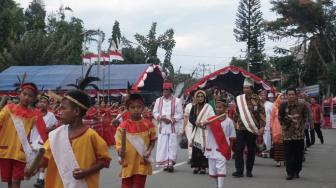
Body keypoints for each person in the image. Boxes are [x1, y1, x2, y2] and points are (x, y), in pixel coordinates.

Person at [25, 90, 112, 188]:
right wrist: (33, 168)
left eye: (63, 108)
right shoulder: (55, 135)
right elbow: (46, 158)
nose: (59, 112)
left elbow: (104, 160)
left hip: (82, 184)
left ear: (76, 111)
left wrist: (86, 171)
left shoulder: (91, 136)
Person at [0, 83, 45, 188]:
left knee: (16, 181)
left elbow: (37, 134)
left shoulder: (33, 116)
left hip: (21, 153)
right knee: (9, 181)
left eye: (30, 96)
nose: (26, 97)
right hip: (6, 150)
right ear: (19, 94)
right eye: (24, 94)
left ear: (33, 98)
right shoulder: (8, 109)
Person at [116, 93, 157, 188]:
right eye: (132, 107)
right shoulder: (123, 126)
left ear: (143, 108)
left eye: (139, 107)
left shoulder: (149, 125)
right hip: (127, 163)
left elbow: (152, 141)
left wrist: (148, 151)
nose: (136, 110)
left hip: (142, 164)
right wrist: (120, 151)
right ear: (128, 109)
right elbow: (118, 145)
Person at [232, 78, 265, 178]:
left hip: (252, 127)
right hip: (240, 127)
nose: (245, 90)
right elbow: (236, 113)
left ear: (251, 88)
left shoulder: (257, 99)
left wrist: (262, 126)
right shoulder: (239, 99)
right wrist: (235, 123)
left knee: (251, 150)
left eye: (247, 88)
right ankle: (239, 170)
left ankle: (249, 170)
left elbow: (262, 113)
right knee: (239, 149)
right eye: (244, 88)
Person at [203, 98, 235, 188]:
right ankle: (217, 184)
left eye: (220, 107)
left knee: (221, 169)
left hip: (222, 149)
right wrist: (202, 124)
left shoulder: (229, 122)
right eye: (217, 107)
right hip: (211, 148)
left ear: (225, 109)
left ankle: (220, 186)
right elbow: (202, 127)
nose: (218, 109)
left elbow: (232, 137)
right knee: (213, 171)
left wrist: (230, 149)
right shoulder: (211, 120)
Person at [278, 88, 308, 180]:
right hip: (287, 134)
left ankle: (297, 171)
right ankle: (290, 173)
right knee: (288, 155)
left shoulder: (302, 105)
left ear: (296, 95)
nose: (291, 96)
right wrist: (289, 119)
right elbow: (280, 118)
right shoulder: (283, 105)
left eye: (293, 94)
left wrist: (301, 125)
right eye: (289, 94)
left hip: (299, 134)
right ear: (286, 96)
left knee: (298, 155)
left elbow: (305, 117)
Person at [152, 82, 183, 172]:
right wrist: (160, 117)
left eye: (167, 90)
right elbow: (154, 112)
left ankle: (170, 163)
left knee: (172, 145)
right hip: (162, 126)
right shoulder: (158, 100)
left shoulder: (177, 101)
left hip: (172, 126)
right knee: (163, 145)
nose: (165, 91)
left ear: (171, 90)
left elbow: (180, 114)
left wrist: (171, 120)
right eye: (164, 90)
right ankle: (165, 163)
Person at [33, 93, 58, 188]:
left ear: (48, 105)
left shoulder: (51, 115)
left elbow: (55, 127)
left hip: (44, 140)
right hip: (33, 140)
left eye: (45, 102)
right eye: (41, 102)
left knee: (42, 160)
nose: (43, 104)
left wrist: (49, 129)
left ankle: (41, 179)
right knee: (35, 162)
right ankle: (39, 178)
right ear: (38, 103)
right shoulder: (34, 113)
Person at [189, 90, 215, 174]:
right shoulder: (194, 107)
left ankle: (203, 167)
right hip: (196, 130)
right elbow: (191, 118)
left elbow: (212, 117)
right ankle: (196, 166)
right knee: (196, 148)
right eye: (198, 96)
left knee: (204, 149)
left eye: (202, 96)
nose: (200, 98)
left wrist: (205, 122)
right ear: (196, 98)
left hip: (205, 129)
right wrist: (196, 123)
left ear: (204, 97)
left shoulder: (208, 107)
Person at [270, 94, 285, 167]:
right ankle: (278, 161)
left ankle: (285, 159)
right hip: (276, 128)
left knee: (285, 144)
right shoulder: (275, 107)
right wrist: (271, 127)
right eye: (281, 98)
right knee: (277, 145)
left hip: (285, 128)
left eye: (283, 98)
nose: (282, 100)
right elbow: (272, 118)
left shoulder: (287, 107)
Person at [260, 90, 273, 158]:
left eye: (264, 95)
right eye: (261, 95)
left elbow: (273, 115)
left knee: (267, 137)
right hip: (259, 124)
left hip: (268, 124)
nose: (263, 96)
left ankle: (266, 151)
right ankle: (260, 151)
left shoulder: (270, 104)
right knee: (259, 138)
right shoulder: (257, 103)